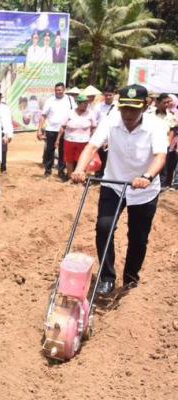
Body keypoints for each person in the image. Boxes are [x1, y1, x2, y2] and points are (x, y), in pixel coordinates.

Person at [71, 84, 167, 295]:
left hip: (144, 190)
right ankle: (107, 277)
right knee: (104, 228)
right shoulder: (111, 120)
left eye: (134, 108)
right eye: (124, 108)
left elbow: (160, 156)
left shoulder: (155, 125)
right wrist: (80, 169)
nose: (128, 113)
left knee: (138, 237)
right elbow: (92, 146)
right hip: (113, 185)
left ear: (145, 105)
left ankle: (131, 278)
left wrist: (147, 177)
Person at [37, 82, 76, 179]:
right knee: (49, 151)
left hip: (65, 130)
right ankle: (48, 171)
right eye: (56, 90)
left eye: (60, 90)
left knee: (63, 152)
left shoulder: (70, 100)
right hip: (51, 129)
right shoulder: (50, 100)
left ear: (64, 90)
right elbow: (44, 115)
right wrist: (39, 130)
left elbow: (74, 113)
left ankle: (61, 171)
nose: (58, 92)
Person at [56, 94, 96, 179]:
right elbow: (63, 127)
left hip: (84, 141)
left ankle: (81, 178)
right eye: (84, 103)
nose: (86, 105)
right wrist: (58, 139)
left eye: (87, 103)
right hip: (69, 140)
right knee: (69, 160)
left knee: (82, 160)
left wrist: (93, 140)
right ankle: (70, 178)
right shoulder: (70, 113)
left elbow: (93, 128)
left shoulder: (90, 114)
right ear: (78, 103)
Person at [153, 93, 177, 188]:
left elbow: (171, 131)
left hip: (163, 144)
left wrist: (168, 144)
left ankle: (162, 186)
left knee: (163, 166)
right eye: (164, 102)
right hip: (150, 143)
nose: (167, 105)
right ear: (158, 102)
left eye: (168, 102)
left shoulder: (170, 116)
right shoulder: (150, 114)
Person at [94, 86, 118, 177]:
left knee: (110, 158)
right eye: (106, 95)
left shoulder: (118, 106)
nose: (108, 97)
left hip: (113, 136)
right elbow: (94, 121)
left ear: (114, 95)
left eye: (110, 95)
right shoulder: (98, 106)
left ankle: (106, 176)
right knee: (99, 157)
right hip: (100, 135)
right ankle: (98, 175)